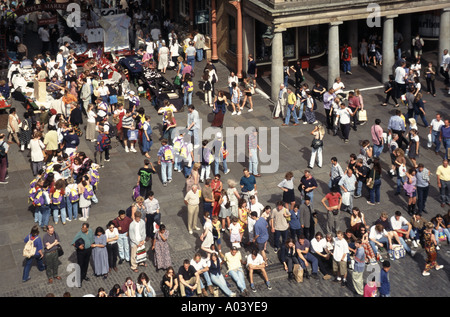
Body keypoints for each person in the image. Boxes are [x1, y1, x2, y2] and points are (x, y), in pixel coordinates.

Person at [72, 223, 95, 287]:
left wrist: (92, 244)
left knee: (86, 264)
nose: (82, 229)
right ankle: (79, 280)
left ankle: (84, 276)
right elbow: (73, 242)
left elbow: (92, 238)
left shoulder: (90, 231)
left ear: (87, 228)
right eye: (82, 228)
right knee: (80, 265)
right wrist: (78, 246)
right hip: (81, 252)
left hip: (88, 250)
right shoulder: (80, 233)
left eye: (84, 228)